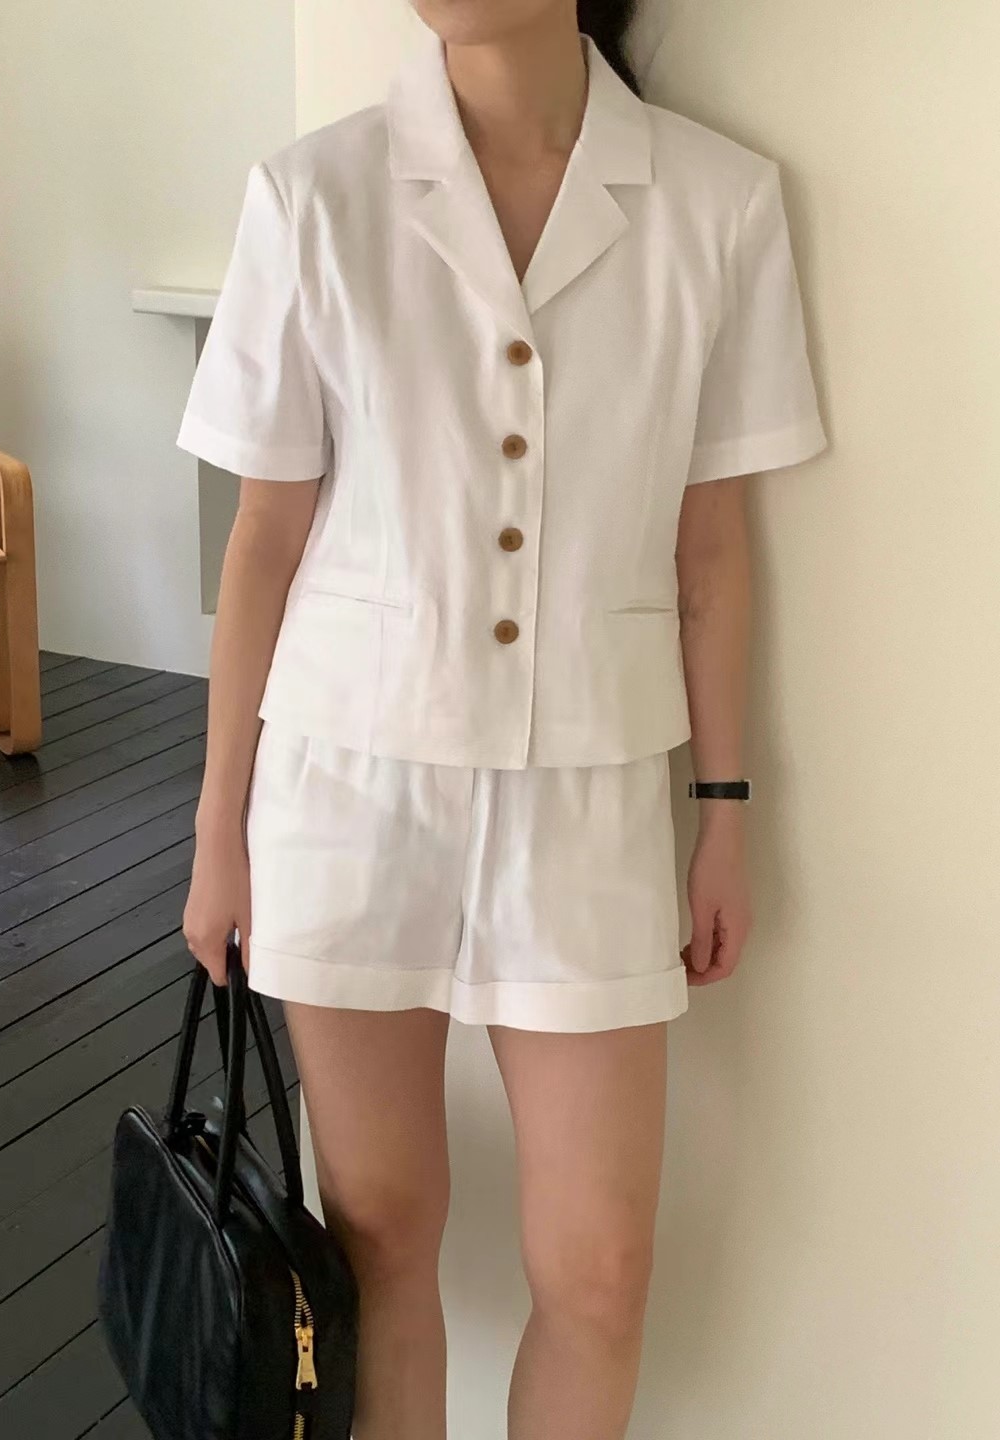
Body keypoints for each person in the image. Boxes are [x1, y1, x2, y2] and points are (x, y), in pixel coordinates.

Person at [177, 1, 826, 1435]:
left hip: (591, 796)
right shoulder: (314, 193)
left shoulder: (717, 202)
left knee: (600, 1271)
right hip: (347, 788)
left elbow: (711, 549)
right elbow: (264, 541)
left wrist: (724, 815)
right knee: (380, 1235)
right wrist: (219, 831)